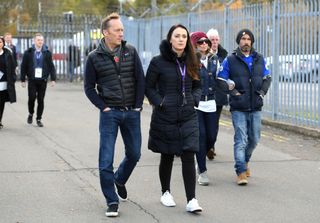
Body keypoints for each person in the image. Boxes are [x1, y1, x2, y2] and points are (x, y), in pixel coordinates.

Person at [84, 13, 145, 217]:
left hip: (131, 113)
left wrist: (137, 106)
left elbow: (140, 79)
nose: (121, 33)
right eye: (117, 30)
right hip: (110, 113)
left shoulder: (130, 51)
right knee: (105, 160)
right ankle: (111, 200)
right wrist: (104, 107)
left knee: (135, 153)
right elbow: (89, 88)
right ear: (105, 32)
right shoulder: (93, 57)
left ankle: (119, 179)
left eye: (122, 30)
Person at [145, 24, 203, 213]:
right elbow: (149, 87)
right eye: (177, 36)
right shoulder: (158, 62)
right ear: (170, 39)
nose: (180, 39)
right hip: (166, 116)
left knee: (189, 154)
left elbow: (197, 85)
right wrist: (160, 102)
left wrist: (194, 98)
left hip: (188, 115)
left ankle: (191, 199)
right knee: (167, 154)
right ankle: (165, 192)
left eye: (184, 36)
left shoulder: (193, 61)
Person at [217, 29, 271, 185]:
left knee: (254, 139)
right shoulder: (230, 60)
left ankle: (245, 160)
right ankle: (240, 171)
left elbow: (267, 77)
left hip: (256, 106)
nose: (246, 41)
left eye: (248, 39)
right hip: (238, 107)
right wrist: (233, 92)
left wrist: (262, 92)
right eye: (243, 39)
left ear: (252, 42)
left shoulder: (259, 59)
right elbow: (221, 80)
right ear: (238, 42)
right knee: (241, 139)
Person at [190, 31, 219, 186]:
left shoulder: (215, 60)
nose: (203, 44)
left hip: (211, 102)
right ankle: (202, 171)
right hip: (197, 103)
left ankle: (200, 156)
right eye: (200, 42)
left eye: (206, 42)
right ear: (196, 45)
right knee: (201, 136)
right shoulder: (191, 61)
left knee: (211, 137)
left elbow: (220, 78)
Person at [20, 33, 56, 127]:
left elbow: (51, 66)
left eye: (41, 40)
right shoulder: (28, 52)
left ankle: (39, 118)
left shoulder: (47, 53)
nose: (40, 42)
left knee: (41, 99)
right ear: (34, 41)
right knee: (31, 98)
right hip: (32, 79)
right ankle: (31, 113)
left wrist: (53, 79)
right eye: (38, 40)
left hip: (42, 80)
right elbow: (23, 66)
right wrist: (23, 79)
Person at [206, 28, 228, 160]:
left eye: (216, 39)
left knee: (214, 122)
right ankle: (205, 145)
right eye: (211, 40)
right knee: (205, 122)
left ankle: (211, 146)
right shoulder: (202, 54)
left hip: (218, 95)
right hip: (205, 95)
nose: (214, 42)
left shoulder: (224, 55)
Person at [0, 36, 16, 129]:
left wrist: (13, 78)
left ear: (3, 44)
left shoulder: (7, 55)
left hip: (3, 82)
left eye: (0, 42)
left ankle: (0, 120)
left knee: (1, 103)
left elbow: (12, 67)